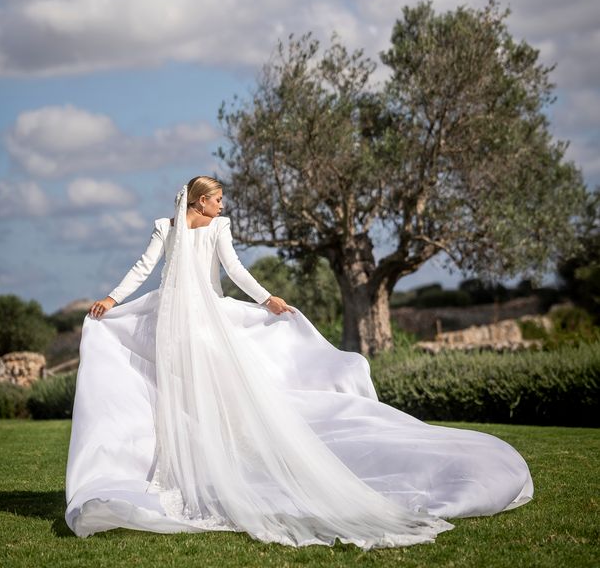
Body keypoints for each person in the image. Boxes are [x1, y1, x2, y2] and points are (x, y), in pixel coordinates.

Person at [65, 175, 532, 549]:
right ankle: (186, 467)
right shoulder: (165, 229)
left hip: (208, 324)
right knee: (178, 397)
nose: (224, 207)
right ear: (201, 200)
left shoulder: (219, 231)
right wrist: (111, 298)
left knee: (224, 394)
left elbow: (234, 271)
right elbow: (144, 269)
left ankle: (231, 464)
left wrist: (266, 299)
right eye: (219, 199)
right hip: (174, 326)